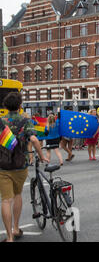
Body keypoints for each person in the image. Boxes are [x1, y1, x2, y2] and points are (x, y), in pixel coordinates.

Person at [0, 92, 47, 242]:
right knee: (18, 194)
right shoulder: (25, 121)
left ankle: (9, 237)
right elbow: (33, 138)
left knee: (6, 200)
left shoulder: (1, 122)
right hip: (20, 165)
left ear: (5, 106)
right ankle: (16, 228)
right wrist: (41, 155)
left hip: (3, 166)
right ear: (20, 106)